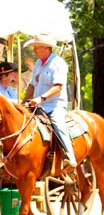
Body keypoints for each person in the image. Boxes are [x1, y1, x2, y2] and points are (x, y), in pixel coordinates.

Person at [23, 33, 77, 169]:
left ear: (47, 48)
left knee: (58, 124)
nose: (34, 50)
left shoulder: (58, 63)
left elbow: (58, 87)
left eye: (37, 47)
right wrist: (22, 103)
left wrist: (41, 98)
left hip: (54, 105)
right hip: (37, 105)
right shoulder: (38, 64)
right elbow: (31, 86)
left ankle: (69, 157)